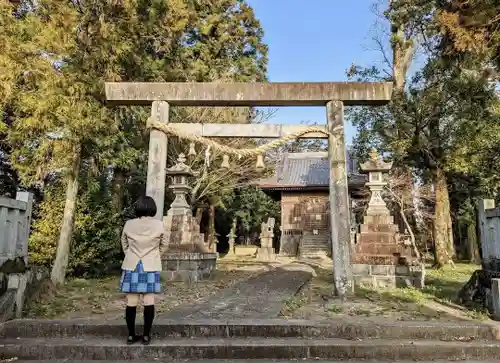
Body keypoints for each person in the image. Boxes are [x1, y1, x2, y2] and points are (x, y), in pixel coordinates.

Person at [119, 196, 167, 345]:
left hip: (132, 264)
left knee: (131, 302)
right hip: (150, 265)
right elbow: (164, 244)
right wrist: (155, 254)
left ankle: (131, 336)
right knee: (149, 300)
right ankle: (146, 335)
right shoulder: (159, 225)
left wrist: (130, 254)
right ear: (152, 208)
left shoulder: (129, 224)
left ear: (138, 207)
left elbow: (124, 242)